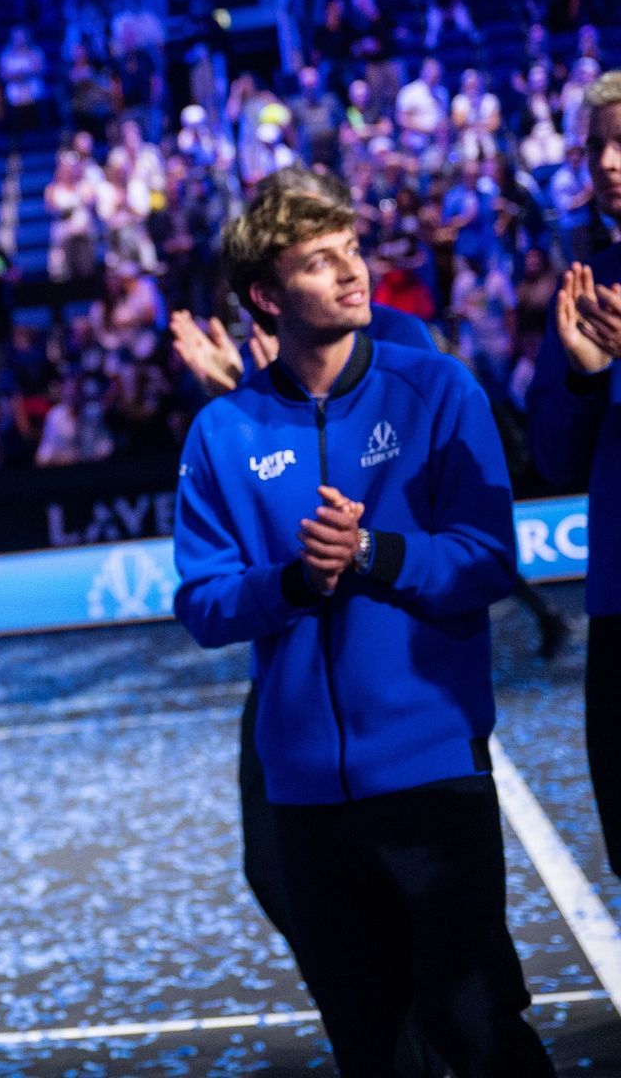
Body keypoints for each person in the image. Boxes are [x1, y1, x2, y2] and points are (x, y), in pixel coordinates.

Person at [172, 180, 550, 1073]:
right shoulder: (222, 431)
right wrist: (299, 581)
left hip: (432, 776)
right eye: (320, 260)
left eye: (353, 249)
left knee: (480, 1030)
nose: (353, 272)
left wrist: (374, 554)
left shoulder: (437, 388)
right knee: (374, 1052)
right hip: (304, 801)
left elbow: (489, 559)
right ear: (267, 296)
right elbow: (204, 603)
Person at [529, 69, 621, 877]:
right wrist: (588, 377)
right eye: (598, 147)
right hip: (617, 606)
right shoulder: (588, 285)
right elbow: (554, 457)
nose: (612, 163)